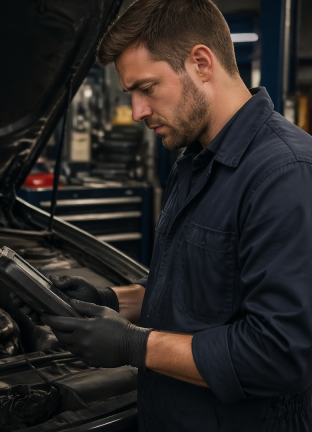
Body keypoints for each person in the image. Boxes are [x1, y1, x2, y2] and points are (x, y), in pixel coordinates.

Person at [41, 0, 312, 430]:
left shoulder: (286, 173)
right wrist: (112, 299)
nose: (138, 112)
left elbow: (278, 354)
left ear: (201, 63)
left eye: (147, 88)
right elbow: (196, 295)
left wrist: (135, 346)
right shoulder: (194, 161)